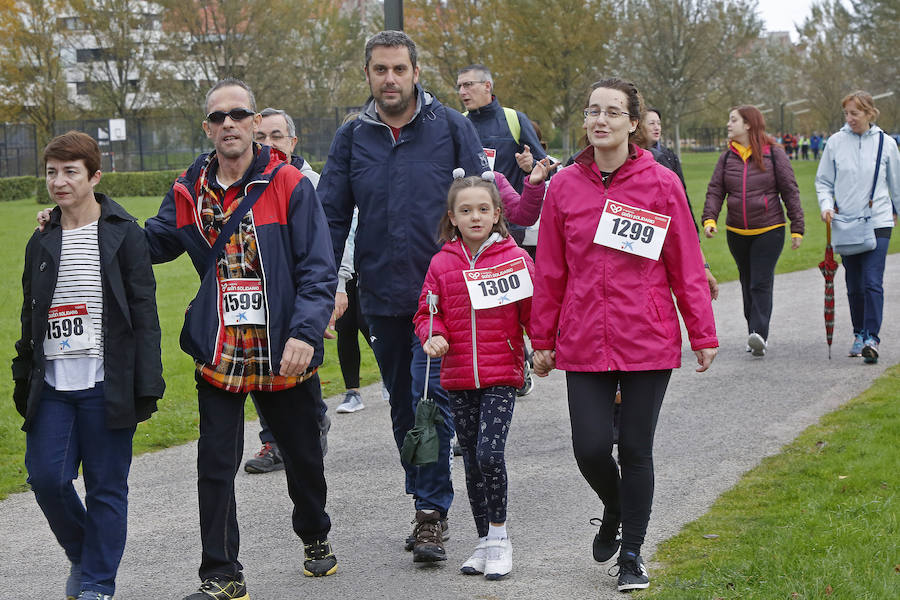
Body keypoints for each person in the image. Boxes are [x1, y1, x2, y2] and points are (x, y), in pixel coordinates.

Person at [145, 79, 339, 598]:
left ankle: (315, 533)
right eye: (217, 117)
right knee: (214, 464)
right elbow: (155, 240)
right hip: (221, 347)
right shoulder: (190, 187)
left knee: (303, 458)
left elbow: (318, 270)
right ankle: (222, 575)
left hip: (282, 348)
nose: (228, 123)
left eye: (238, 113)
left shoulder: (290, 183)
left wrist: (305, 332)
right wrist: (91, 221)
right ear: (207, 127)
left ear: (256, 122)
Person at [529, 78, 718, 593]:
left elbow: (685, 263)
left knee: (635, 448)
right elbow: (548, 271)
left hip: (647, 336)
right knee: (590, 447)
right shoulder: (564, 186)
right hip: (584, 336)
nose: (601, 120)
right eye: (593, 110)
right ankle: (615, 505)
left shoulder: (661, 184)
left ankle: (632, 553)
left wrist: (701, 332)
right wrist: (541, 339)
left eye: (613, 111)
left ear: (633, 122)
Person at [318, 31, 489, 564]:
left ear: (416, 72)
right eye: (379, 70)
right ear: (368, 75)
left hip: (442, 297)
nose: (389, 79)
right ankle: (425, 499)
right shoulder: (352, 138)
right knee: (401, 404)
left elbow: (483, 206)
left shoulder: (451, 128)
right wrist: (324, 287)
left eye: (398, 69)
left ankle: (433, 514)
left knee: (429, 400)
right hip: (383, 297)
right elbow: (329, 215)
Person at [13, 131, 165, 600]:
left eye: (70, 172)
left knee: (106, 489)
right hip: (54, 386)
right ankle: (83, 552)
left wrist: (147, 382)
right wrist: (23, 377)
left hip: (107, 384)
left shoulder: (124, 234)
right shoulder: (41, 240)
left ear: (94, 177)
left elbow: (144, 312)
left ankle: (98, 583)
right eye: (52, 172)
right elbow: (29, 316)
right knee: (46, 478)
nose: (59, 182)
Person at [414, 174, 536, 580]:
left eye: (483, 209)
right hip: (458, 377)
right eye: (466, 210)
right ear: (453, 217)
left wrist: (544, 346)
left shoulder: (515, 260)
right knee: (469, 465)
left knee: (488, 455)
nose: (475, 216)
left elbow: (533, 313)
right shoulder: (441, 263)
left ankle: (501, 538)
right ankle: (484, 540)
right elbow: (427, 313)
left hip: (502, 374)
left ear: (498, 214)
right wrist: (433, 336)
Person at [243, 106, 331, 473]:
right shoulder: (248, 184)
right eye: (261, 137)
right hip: (257, 299)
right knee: (259, 369)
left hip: (304, 296)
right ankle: (272, 442)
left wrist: (332, 293)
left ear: (293, 142)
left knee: (298, 372)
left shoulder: (308, 183)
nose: (268, 144)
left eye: (276, 136)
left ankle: (313, 425)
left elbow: (330, 243)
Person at [702, 105, 804, 357]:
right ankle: (753, 333)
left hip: (770, 229)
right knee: (747, 282)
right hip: (736, 231)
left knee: (760, 281)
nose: (728, 124)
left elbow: (790, 190)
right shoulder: (726, 158)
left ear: (748, 124)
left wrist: (797, 227)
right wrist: (709, 219)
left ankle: (759, 333)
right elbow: (716, 190)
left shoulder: (774, 154)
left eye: (733, 119)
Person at [815, 90, 900, 363]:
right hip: (846, 223)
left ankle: (871, 339)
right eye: (847, 114)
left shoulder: (886, 144)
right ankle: (858, 332)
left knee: (873, 280)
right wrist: (826, 205)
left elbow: (896, 186)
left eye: (855, 113)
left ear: (869, 113)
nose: (850, 118)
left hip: (879, 221)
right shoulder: (835, 143)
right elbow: (824, 182)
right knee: (854, 284)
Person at [456, 63, 547, 241]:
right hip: (469, 223)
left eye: (468, 85)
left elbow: (543, 167)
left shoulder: (514, 118)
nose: (462, 91)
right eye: (459, 86)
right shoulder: (459, 122)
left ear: (487, 86)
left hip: (508, 226)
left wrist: (529, 166)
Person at [642, 107, 719, 300]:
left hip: (664, 238)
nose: (656, 127)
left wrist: (702, 261)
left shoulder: (666, 157)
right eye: (651, 123)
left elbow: (682, 206)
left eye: (658, 123)